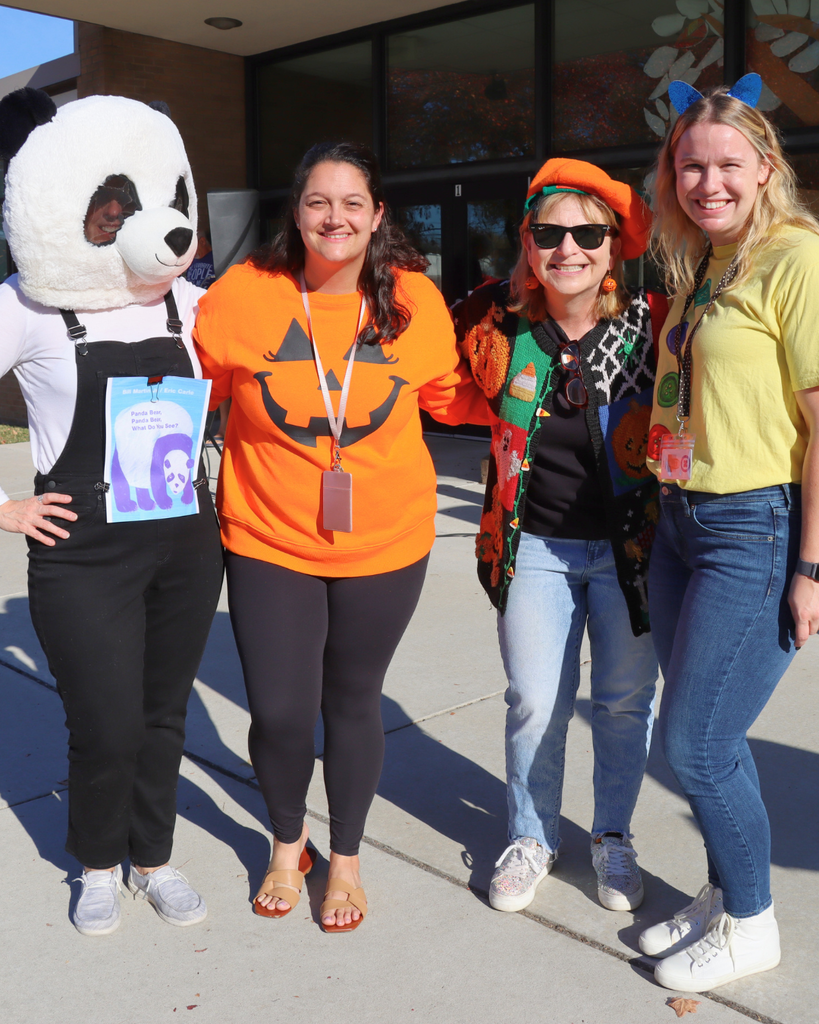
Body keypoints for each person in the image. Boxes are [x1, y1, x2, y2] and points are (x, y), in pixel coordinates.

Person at [193, 141, 489, 932]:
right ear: (296, 212)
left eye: (352, 203)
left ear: (377, 215)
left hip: (386, 540)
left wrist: (528, 373)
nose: (335, 218)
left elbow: (455, 397)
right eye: (318, 202)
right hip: (267, 537)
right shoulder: (244, 294)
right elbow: (184, 390)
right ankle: (287, 844)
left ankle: (347, 858)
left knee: (353, 701)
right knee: (281, 713)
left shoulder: (415, 300)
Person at [0, 90, 223, 936]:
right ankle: (97, 862)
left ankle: (153, 857)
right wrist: (6, 509)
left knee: (163, 714)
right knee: (105, 721)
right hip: (81, 551)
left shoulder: (188, 303)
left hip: (183, 543)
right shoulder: (26, 304)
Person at [637, 75, 819, 992]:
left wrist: (813, 566)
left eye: (725, 166)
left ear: (764, 168)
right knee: (715, 733)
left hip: (753, 525)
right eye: (688, 166)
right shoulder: (707, 264)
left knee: (697, 743)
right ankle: (723, 889)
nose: (706, 182)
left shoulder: (794, 257)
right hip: (681, 518)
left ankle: (752, 927)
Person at [455, 159, 662, 915]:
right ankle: (533, 836)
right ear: (527, 245)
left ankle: (611, 835)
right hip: (532, 547)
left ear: (613, 248)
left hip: (630, 555)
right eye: (548, 233)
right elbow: (417, 366)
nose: (567, 247)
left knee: (620, 703)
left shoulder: (656, 324)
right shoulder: (495, 327)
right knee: (535, 700)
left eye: (586, 233)